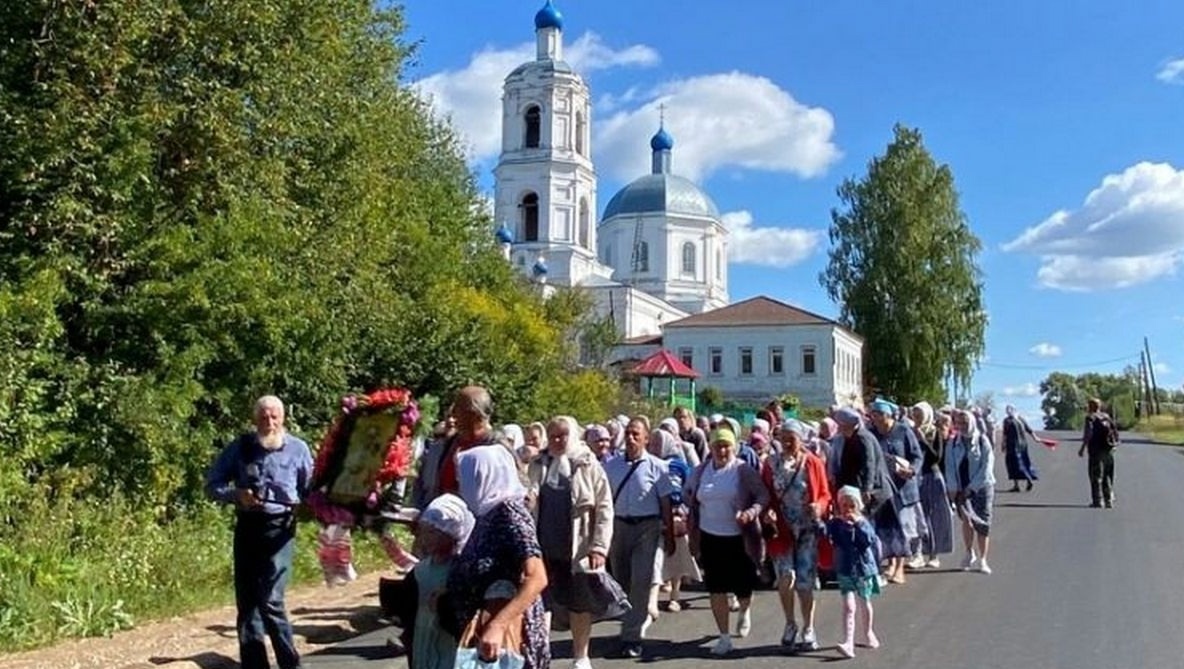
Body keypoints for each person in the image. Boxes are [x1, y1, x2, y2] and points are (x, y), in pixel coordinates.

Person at [205, 395, 313, 669]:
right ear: (255, 419)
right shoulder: (241, 447)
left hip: (280, 528)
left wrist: (309, 507)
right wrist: (236, 494)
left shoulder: (298, 449)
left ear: (283, 418)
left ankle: (290, 663)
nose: (269, 422)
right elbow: (212, 484)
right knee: (248, 601)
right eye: (264, 416)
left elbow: (311, 492)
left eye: (274, 416)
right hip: (248, 527)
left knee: (271, 600)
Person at [445, 445, 550, 669]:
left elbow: (537, 577)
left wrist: (499, 625)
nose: (461, 484)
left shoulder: (509, 513)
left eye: (464, 477)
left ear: (482, 476)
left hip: (504, 641)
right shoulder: (486, 514)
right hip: (483, 635)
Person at [526, 416, 613, 669]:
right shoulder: (538, 463)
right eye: (553, 435)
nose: (557, 440)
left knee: (579, 604)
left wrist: (599, 546)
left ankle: (581, 656)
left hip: (577, 547)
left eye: (563, 435)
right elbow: (528, 494)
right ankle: (540, 654)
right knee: (539, 602)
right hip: (542, 547)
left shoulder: (587, 464)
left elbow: (605, 507)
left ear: (573, 436)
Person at [685, 428, 770, 657]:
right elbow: (689, 494)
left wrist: (750, 513)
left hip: (739, 538)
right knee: (716, 587)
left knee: (743, 587)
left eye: (726, 446)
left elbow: (763, 496)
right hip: (710, 536)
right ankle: (724, 637)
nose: (722, 450)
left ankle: (744, 610)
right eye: (717, 446)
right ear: (710, 448)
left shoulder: (743, 470)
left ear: (734, 447)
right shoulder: (701, 471)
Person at [603, 418, 676, 659]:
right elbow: (603, 500)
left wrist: (669, 534)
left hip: (647, 527)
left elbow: (666, 502)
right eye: (628, 434)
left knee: (641, 580)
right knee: (621, 581)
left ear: (646, 439)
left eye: (636, 434)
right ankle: (629, 622)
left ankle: (632, 637)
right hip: (618, 526)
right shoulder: (611, 466)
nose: (631, 438)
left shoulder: (658, 467)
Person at [762, 419, 831, 652]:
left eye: (792, 438)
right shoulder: (771, 464)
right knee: (785, 576)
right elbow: (765, 494)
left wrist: (819, 507)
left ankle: (809, 627)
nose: (788, 442)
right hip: (781, 530)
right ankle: (790, 623)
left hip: (807, 530)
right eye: (784, 438)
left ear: (801, 440)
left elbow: (825, 494)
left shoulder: (813, 463)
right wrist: (767, 511)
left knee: (805, 581)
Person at [393, 494, 475, 669]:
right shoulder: (419, 572)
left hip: (450, 645)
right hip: (423, 643)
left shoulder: (461, 572)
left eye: (433, 532)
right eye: (423, 531)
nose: (426, 538)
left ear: (452, 533)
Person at [410, 386, 502, 511]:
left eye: (458, 409)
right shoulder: (451, 442)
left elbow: (524, 494)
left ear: (473, 414)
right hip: (443, 522)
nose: (453, 414)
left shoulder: (497, 446)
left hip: (479, 526)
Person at [866, 399, 923, 585]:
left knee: (902, 529)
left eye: (878, 414)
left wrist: (912, 470)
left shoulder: (903, 430)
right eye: (873, 414)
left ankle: (900, 568)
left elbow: (917, 455)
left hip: (904, 488)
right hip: (883, 488)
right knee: (888, 529)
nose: (875, 418)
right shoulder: (871, 433)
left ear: (888, 415)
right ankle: (890, 565)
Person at [648, 429, 702, 613]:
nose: (654, 446)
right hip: (653, 514)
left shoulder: (678, 465)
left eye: (658, 443)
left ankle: (675, 596)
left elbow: (689, 489)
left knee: (676, 554)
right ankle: (651, 599)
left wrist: (684, 511)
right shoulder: (646, 463)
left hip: (676, 515)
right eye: (652, 443)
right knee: (654, 557)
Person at [827, 486, 881, 660]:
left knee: (865, 601)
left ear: (858, 506)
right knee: (849, 606)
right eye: (844, 505)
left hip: (863, 569)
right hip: (845, 568)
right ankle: (848, 642)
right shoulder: (836, 523)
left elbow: (868, 541)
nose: (847, 510)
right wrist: (822, 521)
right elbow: (829, 537)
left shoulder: (863, 522)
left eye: (851, 505)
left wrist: (857, 525)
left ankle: (868, 632)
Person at [946, 410, 996, 574]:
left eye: (965, 423)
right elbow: (950, 467)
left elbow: (986, 468)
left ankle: (983, 559)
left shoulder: (982, 441)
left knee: (982, 523)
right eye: (959, 423)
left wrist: (972, 487)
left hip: (981, 487)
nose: (962, 426)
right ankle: (969, 552)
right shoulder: (953, 443)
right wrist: (953, 488)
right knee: (966, 521)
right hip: (962, 488)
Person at [911, 405, 953, 568]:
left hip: (932, 477)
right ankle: (918, 553)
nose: (917, 419)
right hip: (915, 477)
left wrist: (922, 440)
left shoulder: (935, 432)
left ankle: (934, 554)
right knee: (917, 516)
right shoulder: (910, 431)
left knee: (933, 516)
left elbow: (937, 457)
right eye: (915, 416)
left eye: (920, 415)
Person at [1079, 398, 1119, 508]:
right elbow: (1115, 431)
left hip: (1096, 450)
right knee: (1107, 475)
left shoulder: (1090, 418)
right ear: (1099, 406)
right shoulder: (1106, 417)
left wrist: (1082, 448)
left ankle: (1097, 501)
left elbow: (1088, 433)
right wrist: (1115, 444)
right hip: (1108, 449)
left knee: (1096, 476)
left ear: (1090, 407)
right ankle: (1109, 500)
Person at [1001, 405, 1039, 492]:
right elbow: (1029, 430)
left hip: (1012, 446)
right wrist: (1036, 438)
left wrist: (1003, 445)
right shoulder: (1020, 419)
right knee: (1024, 462)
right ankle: (1028, 480)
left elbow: (1005, 434)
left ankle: (1017, 485)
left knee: (1013, 465)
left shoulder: (1007, 421)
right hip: (1023, 445)